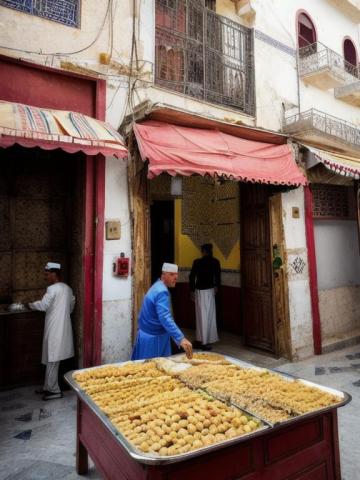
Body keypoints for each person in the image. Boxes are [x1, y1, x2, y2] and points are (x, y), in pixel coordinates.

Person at [29, 262, 75, 401]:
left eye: (48, 274)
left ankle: (54, 390)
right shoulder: (68, 289)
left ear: (54, 274)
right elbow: (71, 307)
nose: (46, 277)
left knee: (52, 359)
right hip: (63, 328)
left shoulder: (52, 289)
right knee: (51, 358)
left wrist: (31, 305)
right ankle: (47, 386)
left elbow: (43, 305)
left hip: (55, 329)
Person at [131, 262, 193, 360]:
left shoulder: (157, 285)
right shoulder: (161, 292)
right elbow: (165, 317)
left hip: (146, 335)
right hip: (154, 339)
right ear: (163, 275)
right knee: (153, 370)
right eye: (172, 274)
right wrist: (180, 338)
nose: (176, 277)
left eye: (176, 274)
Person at [189, 243, 221, 350]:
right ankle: (209, 339)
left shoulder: (197, 262)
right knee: (210, 315)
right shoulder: (215, 262)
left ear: (203, 251)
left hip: (200, 291)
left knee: (201, 316)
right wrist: (216, 286)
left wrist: (192, 290)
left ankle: (202, 340)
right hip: (211, 290)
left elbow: (192, 276)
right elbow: (218, 276)